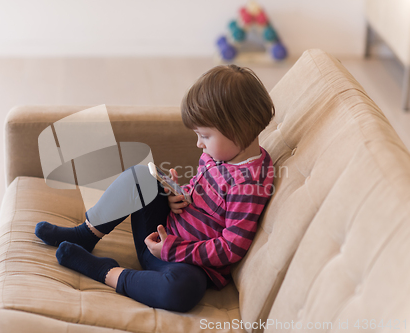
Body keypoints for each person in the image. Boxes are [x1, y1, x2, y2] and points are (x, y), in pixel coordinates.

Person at [35, 64, 275, 312]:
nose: (198, 144)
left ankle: (103, 270)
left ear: (237, 130)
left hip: (185, 262)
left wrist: (172, 248)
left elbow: (230, 248)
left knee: (182, 290)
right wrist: (177, 194)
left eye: (204, 135)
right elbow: (202, 193)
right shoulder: (221, 153)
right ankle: (86, 234)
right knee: (142, 175)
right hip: (159, 232)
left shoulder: (249, 185)